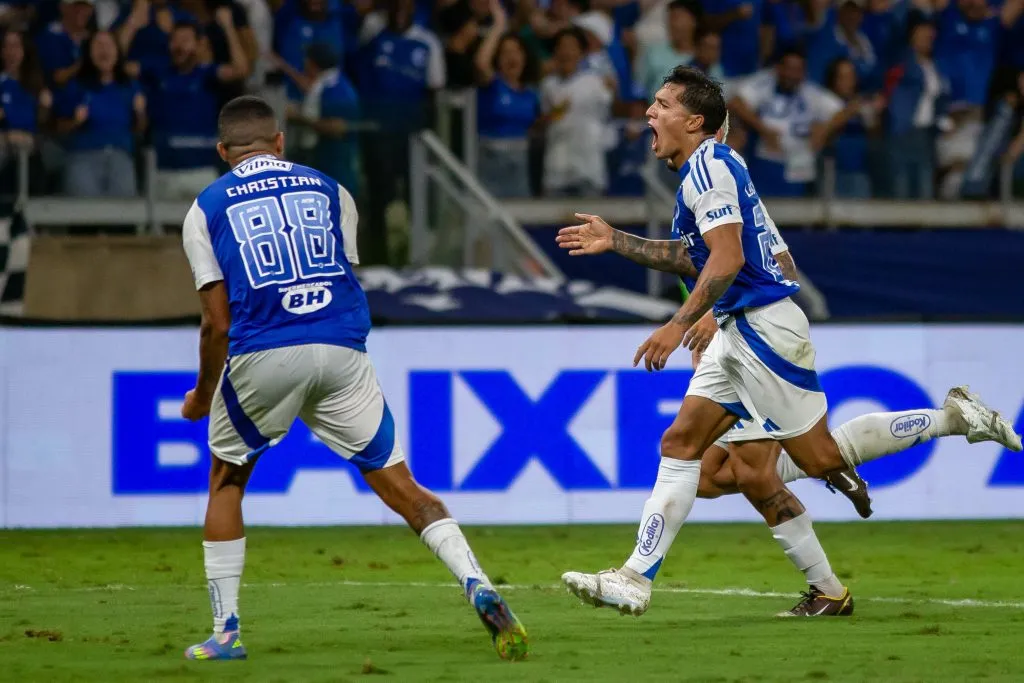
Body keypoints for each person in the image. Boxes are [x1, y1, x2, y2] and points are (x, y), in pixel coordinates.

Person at [552, 66, 1022, 618]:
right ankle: (635, 577)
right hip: (737, 329)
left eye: (661, 104)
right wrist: (618, 241)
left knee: (816, 457)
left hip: (762, 329)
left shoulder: (707, 168)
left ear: (694, 121)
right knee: (683, 445)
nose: (649, 113)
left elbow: (726, 260)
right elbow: (701, 256)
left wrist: (679, 323)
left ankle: (954, 418)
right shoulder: (710, 168)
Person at [178, 95, 527, 662]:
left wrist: (201, 394)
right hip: (343, 347)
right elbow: (340, 270)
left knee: (227, 482)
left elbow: (216, 324)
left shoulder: (205, 208)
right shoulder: (331, 188)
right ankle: (478, 584)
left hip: (265, 348)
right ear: (280, 142)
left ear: (223, 152)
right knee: (403, 487)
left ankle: (225, 633)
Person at [144, 17, 248, 201]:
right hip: (164, 171)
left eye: (185, 41)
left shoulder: (207, 74)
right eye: (175, 40)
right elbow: (122, 66)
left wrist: (228, 26)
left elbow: (240, 69)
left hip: (202, 171)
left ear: (199, 45)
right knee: (161, 229)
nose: (179, 47)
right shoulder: (157, 72)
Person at [56, 29, 145, 197]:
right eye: (98, 45)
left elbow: (140, 129)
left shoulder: (130, 86)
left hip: (121, 158)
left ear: (117, 51)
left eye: (108, 45)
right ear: (89, 52)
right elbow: (58, 129)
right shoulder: (76, 86)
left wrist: (140, 113)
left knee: (124, 214)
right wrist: (75, 121)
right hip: (83, 158)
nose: (103, 50)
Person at [473, 0, 539, 198]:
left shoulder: (531, 94)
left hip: (520, 169)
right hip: (489, 165)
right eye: (505, 53)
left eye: (516, 52)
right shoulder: (492, 86)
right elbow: (481, 63)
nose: (512, 57)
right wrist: (499, 26)